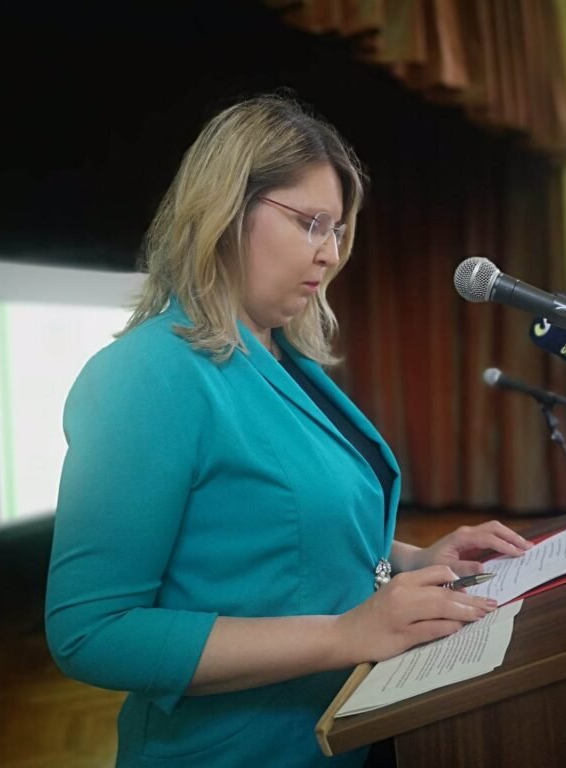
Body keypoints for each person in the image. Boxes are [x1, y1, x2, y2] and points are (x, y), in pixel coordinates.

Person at [44, 94, 533, 767]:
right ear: (225, 212)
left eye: (338, 230)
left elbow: (274, 532)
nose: (330, 254)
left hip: (344, 732)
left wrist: (417, 561)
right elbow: (92, 632)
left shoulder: (285, 359)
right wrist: (345, 635)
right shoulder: (146, 374)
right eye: (311, 224)